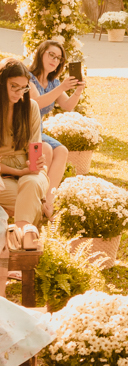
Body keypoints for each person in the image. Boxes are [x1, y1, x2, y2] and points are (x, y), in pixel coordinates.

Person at [27, 39, 85, 216]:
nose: (54, 60)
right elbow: (36, 103)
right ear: (41, 54)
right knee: (47, 151)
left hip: (39, 131)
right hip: (25, 131)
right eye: (51, 54)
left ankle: (48, 201)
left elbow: (67, 106)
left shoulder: (53, 81)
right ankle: (36, 199)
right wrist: (62, 87)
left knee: (62, 151)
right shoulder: (28, 78)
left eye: (58, 58)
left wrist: (77, 91)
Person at [0, 59, 51, 252]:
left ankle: (17, 248)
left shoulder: (31, 108)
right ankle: (26, 247)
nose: (19, 93)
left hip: (29, 173)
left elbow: (34, 148)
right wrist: (19, 172)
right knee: (31, 202)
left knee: (31, 184)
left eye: (23, 88)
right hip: (3, 177)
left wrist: (36, 162)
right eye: (14, 87)